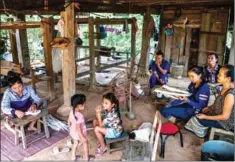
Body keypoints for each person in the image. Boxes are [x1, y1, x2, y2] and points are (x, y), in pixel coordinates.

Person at [185, 65, 234, 138]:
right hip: (217, 113)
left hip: (224, 123)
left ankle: (203, 136)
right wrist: (209, 108)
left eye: (220, 75)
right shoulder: (224, 88)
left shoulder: (230, 94)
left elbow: (225, 117)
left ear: (228, 78)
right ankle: (203, 130)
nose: (217, 75)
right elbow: (218, 103)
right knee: (198, 112)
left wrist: (206, 117)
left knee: (196, 118)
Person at [68, 94, 94, 161]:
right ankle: (87, 158)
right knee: (85, 143)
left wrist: (69, 128)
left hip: (73, 132)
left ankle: (73, 157)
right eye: (84, 104)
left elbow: (69, 120)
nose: (85, 106)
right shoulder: (80, 116)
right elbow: (79, 129)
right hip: (79, 133)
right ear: (79, 106)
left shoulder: (71, 111)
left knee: (75, 143)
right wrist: (82, 138)